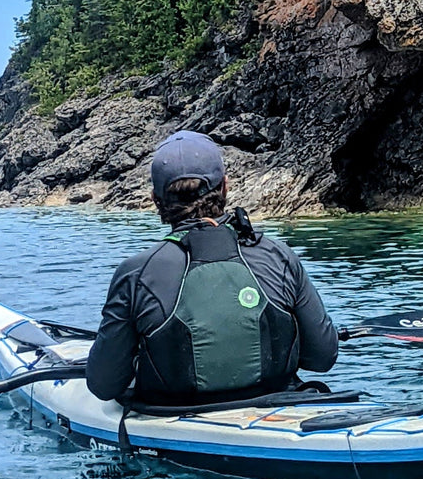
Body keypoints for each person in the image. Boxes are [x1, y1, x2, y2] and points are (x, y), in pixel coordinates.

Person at [86, 130, 338, 405]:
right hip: (278, 407)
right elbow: (322, 357)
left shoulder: (135, 273)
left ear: (156, 199)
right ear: (225, 187)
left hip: (171, 416)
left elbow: (104, 384)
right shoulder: (279, 256)